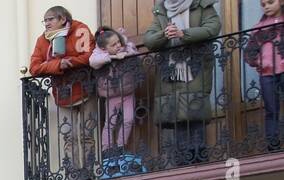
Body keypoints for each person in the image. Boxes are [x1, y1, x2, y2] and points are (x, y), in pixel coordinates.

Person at [144, 0, 222, 168]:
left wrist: (183, 34)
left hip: (195, 67)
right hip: (170, 71)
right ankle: (182, 162)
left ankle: (199, 161)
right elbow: (149, 40)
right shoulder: (161, 11)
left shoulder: (201, 5)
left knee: (196, 112)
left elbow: (213, 27)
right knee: (176, 116)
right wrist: (164, 34)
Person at [90, 27, 142, 160]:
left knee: (128, 119)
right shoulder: (98, 53)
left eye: (118, 42)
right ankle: (106, 149)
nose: (118, 45)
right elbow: (93, 62)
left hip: (128, 92)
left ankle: (121, 146)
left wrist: (125, 52)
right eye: (113, 45)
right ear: (104, 48)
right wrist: (112, 57)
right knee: (110, 122)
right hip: (112, 94)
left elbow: (134, 52)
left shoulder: (125, 46)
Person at [247, 0, 284, 149]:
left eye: (270, 2)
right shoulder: (258, 28)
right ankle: (272, 144)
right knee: (271, 109)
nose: (266, 6)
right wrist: (258, 61)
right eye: (263, 4)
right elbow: (249, 52)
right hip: (267, 74)